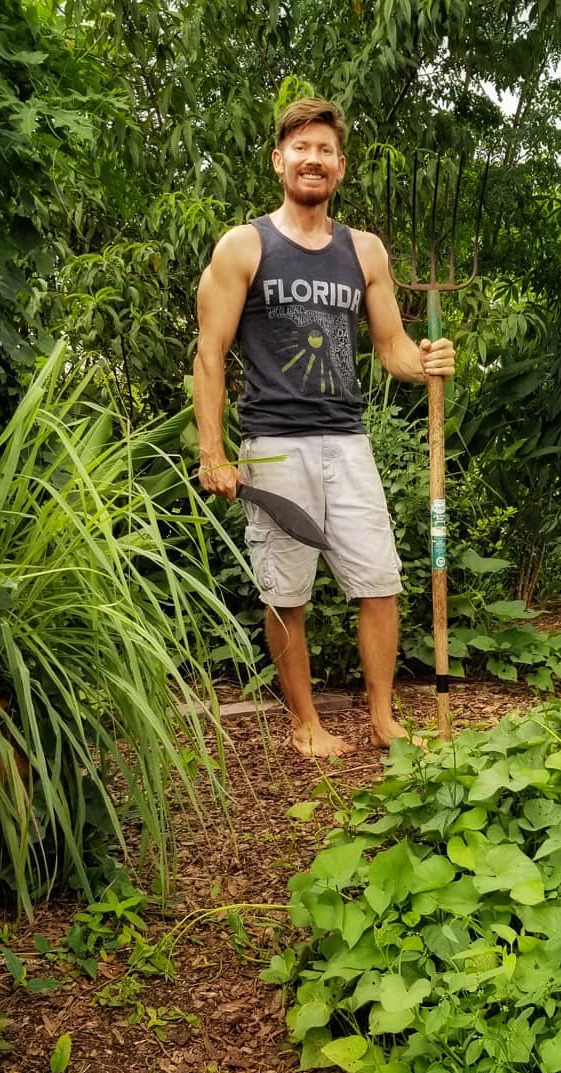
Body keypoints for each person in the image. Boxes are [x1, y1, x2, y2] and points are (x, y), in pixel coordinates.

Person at [192, 96, 455, 757]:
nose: (314, 159)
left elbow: (391, 345)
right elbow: (209, 353)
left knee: (380, 580)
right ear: (280, 160)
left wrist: (426, 364)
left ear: (341, 166)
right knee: (287, 592)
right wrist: (212, 451)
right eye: (301, 148)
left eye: (326, 151)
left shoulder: (363, 251)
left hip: (348, 440)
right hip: (274, 446)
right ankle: (306, 724)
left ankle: (383, 717)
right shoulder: (244, 246)